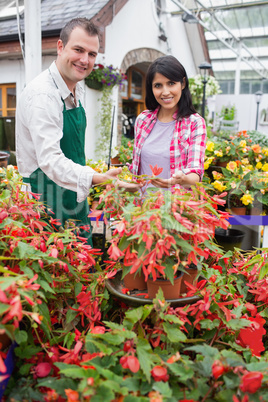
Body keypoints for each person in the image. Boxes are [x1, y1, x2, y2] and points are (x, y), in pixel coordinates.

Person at [16, 18, 140, 244]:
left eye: (92, 54)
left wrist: (94, 174)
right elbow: (50, 160)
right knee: (58, 268)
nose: (85, 60)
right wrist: (96, 177)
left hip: (71, 195)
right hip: (45, 199)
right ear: (61, 47)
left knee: (82, 264)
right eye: (78, 50)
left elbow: (71, 151)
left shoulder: (75, 89)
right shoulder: (44, 95)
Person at [128, 55, 206, 189]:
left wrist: (182, 179)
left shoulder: (194, 123)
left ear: (183, 83)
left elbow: (196, 173)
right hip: (141, 207)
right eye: (158, 85)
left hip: (176, 206)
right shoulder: (143, 120)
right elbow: (137, 167)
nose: (165, 92)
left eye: (171, 83)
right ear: (151, 89)